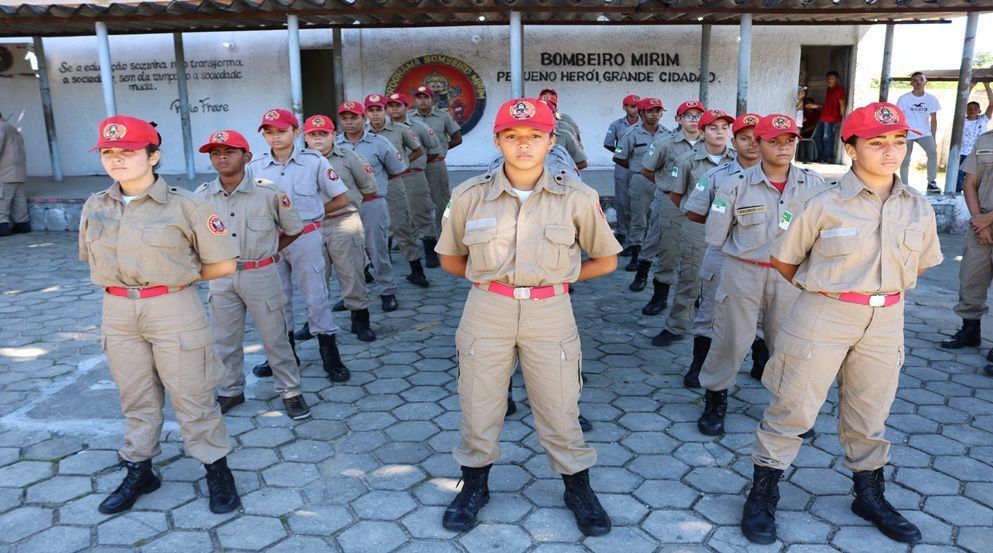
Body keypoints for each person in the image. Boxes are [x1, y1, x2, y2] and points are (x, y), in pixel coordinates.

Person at [741, 102, 942, 546]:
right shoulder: (820, 202)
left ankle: (868, 495)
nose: (891, 151)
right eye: (876, 143)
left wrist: (877, 292)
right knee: (792, 407)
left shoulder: (917, 207)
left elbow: (921, 265)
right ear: (851, 149)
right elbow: (785, 259)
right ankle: (763, 494)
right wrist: (833, 290)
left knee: (871, 413)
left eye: (898, 142)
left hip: (887, 317)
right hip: (824, 313)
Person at [436, 98, 620, 536]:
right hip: (487, 310)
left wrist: (559, 279)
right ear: (497, 140)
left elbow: (607, 260)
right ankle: (474, 485)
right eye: (513, 136)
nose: (524, 145)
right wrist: (493, 282)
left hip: (550, 312)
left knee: (559, 406)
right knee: (479, 403)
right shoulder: (468, 195)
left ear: (551, 141)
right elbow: (449, 258)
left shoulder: (577, 196)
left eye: (535, 136)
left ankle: (577, 487)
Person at [79, 115, 241, 515]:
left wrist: (173, 279)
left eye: (128, 151)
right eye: (108, 152)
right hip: (116, 309)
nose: (116, 159)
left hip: (172, 306)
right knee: (134, 396)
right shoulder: (95, 205)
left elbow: (222, 265)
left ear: (154, 156)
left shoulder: (187, 205)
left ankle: (217, 470)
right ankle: (141, 470)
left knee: (193, 395)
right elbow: (89, 258)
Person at [692, 114, 825, 436]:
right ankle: (715, 400)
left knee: (788, 343)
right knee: (730, 339)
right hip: (743, 272)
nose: (783, 148)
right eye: (774, 141)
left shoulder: (814, 185)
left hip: (789, 277)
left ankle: (787, 406)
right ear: (758, 143)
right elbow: (716, 234)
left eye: (790, 141)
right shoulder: (735, 184)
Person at [195, 130, 311, 419]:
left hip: (261, 274)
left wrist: (270, 251)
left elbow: (294, 229)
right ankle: (230, 390)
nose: (221, 157)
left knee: (275, 337)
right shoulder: (201, 196)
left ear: (246, 157)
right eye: (215, 153)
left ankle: (291, 391)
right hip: (222, 277)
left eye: (229, 151)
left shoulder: (269, 192)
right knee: (224, 339)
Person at [248, 109, 351, 383]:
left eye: (281, 131)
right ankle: (282, 356)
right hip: (271, 241)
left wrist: (314, 214)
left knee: (315, 295)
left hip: (305, 236)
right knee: (276, 299)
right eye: (269, 132)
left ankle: (330, 355)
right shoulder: (255, 166)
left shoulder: (313, 162)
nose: (275, 137)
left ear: (296, 132)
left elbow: (340, 198)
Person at [681, 113, 764, 389]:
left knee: (764, 313)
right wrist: (727, 223)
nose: (752, 144)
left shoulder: (780, 175)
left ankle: (761, 363)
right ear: (734, 139)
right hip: (723, 252)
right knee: (709, 310)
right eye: (744, 138)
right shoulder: (715, 175)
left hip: (765, 257)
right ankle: (699, 365)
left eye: (757, 138)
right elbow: (694, 212)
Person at [646, 109, 736, 346]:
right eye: (713, 128)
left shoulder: (737, 160)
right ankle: (676, 325)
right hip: (698, 227)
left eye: (724, 128)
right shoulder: (688, 160)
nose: (720, 132)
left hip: (729, 230)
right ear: (703, 132)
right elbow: (677, 194)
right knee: (690, 278)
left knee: (727, 281)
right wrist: (695, 215)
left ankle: (720, 331)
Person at [302, 114, 378, 343]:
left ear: (333, 135)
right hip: (312, 227)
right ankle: (313, 322)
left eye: (323, 134)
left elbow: (369, 188)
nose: (317, 139)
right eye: (312, 134)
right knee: (314, 278)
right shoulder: (299, 162)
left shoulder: (350, 157)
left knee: (352, 274)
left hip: (343, 222)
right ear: (304, 137)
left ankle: (360, 320)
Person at [335, 100, 407, 312]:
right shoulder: (336, 145)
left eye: (354, 117)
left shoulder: (379, 143)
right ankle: (352, 296)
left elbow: (397, 169)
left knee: (378, 250)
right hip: (344, 209)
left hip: (372, 204)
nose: (349, 122)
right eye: (345, 118)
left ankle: (387, 291)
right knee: (348, 255)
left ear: (363, 119)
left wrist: (377, 185)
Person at [634, 101, 705, 294]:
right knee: (658, 239)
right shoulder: (665, 142)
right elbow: (646, 169)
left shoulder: (709, 143)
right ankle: (647, 278)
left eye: (698, 116)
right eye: (688, 116)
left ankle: (695, 291)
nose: (694, 120)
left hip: (697, 202)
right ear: (678, 119)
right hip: (668, 199)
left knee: (696, 245)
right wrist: (665, 183)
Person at [365, 93, 431, 288]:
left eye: (379, 110)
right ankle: (365, 270)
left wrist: (402, 165)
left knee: (401, 225)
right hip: (369, 186)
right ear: (366, 113)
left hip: (394, 183)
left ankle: (416, 270)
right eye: (371, 110)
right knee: (365, 230)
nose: (375, 114)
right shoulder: (363, 133)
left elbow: (418, 149)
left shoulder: (400, 130)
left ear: (385, 110)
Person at [942, 118, 993, 355]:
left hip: (985, 221)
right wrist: (979, 221)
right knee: (971, 278)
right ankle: (970, 331)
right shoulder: (985, 140)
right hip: (980, 225)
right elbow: (969, 183)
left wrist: (987, 219)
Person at [612, 97, 669, 272]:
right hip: (640, 180)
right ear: (642, 113)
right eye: (650, 111)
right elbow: (619, 157)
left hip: (661, 181)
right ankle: (636, 254)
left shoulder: (667, 134)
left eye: (658, 111)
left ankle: (652, 253)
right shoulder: (631, 133)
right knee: (638, 219)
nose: (655, 115)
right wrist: (637, 169)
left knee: (658, 218)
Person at [387, 92, 443, 268]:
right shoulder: (379, 131)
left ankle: (430, 252)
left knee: (421, 212)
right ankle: (386, 253)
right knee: (390, 215)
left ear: (406, 107)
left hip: (413, 175)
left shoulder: (418, 127)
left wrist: (415, 164)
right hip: (390, 178)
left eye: (398, 105)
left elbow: (434, 150)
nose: (395, 109)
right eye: (391, 106)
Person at [410, 85, 463, 256]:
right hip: (414, 166)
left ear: (432, 100)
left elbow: (457, 138)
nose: (423, 100)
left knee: (441, 201)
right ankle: (417, 237)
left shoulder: (443, 116)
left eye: (426, 97)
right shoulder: (408, 118)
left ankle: (444, 238)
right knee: (414, 201)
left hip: (436, 165)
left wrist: (441, 149)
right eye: (419, 97)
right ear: (414, 100)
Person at [603, 94, 641, 251]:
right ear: (624, 108)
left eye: (637, 106)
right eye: (632, 106)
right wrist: (621, 154)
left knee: (639, 202)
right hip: (623, 167)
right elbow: (608, 143)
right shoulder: (616, 125)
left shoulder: (645, 124)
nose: (635, 109)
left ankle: (637, 235)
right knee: (621, 201)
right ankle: (622, 232)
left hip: (640, 167)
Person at [897, 72, 941, 193]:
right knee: (905, 158)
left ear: (926, 82)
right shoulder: (904, 99)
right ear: (911, 83)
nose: (918, 82)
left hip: (925, 133)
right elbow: (898, 118)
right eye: (915, 80)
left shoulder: (931, 99)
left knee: (933, 153)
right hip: (907, 132)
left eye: (921, 79)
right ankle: (904, 185)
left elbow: (933, 120)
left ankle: (931, 183)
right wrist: (901, 134)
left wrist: (934, 137)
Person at [957, 81, 993, 193]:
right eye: (970, 108)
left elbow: (992, 104)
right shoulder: (962, 120)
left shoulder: (983, 119)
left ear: (979, 110)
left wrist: (987, 85)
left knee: (980, 178)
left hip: (979, 153)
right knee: (959, 177)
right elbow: (960, 103)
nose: (972, 109)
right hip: (963, 153)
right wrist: (970, 86)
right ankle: (956, 196)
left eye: (975, 108)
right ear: (966, 110)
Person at [0, 112, 28, 236]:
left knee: (2, 202)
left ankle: (3, 227)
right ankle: (22, 225)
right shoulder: (12, 128)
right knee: (19, 202)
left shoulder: (0, 128)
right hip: (18, 171)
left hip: (4, 172)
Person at [813, 71, 846, 163]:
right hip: (823, 117)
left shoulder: (838, 89)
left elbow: (842, 105)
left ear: (836, 79)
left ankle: (825, 158)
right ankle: (821, 156)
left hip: (832, 118)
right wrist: (816, 106)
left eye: (832, 78)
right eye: (828, 79)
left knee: (827, 138)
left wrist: (840, 118)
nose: (829, 80)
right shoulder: (829, 89)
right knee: (816, 137)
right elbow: (828, 104)